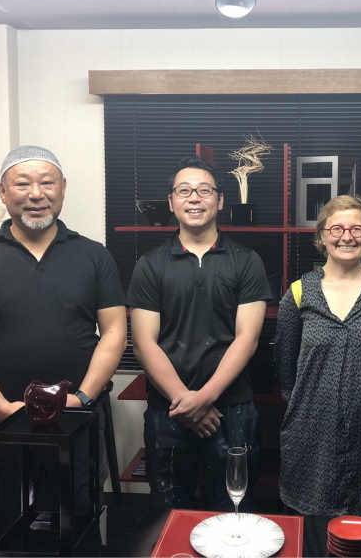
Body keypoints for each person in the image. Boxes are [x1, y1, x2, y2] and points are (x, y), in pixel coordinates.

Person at [0, 145, 127, 501]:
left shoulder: (94, 255)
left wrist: (82, 397)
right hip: (2, 418)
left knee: (82, 513)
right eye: (23, 184)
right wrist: (0, 408)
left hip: (78, 418)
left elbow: (115, 332)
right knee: (2, 518)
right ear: (2, 191)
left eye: (47, 183)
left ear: (63, 188)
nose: (37, 194)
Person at [128, 155, 272, 511]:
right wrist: (186, 402)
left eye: (204, 191)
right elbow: (144, 343)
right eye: (184, 191)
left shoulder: (247, 261)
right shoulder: (150, 265)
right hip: (169, 411)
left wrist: (204, 398)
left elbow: (247, 339)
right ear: (171, 202)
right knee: (167, 517)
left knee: (234, 516)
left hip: (232, 411)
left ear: (220, 201)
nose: (194, 198)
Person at [275, 195, 361, 515]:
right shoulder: (299, 292)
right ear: (322, 236)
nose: (347, 237)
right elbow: (285, 365)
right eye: (336, 229)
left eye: (357, 229)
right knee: (311, 523)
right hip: (312, 432)